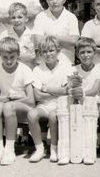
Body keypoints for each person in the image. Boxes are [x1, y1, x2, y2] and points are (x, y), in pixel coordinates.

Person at [0, 37, 35, 166]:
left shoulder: (25, 70)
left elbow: (31, 99)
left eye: (12, 57)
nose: (8, 61)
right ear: (0, 55)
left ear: (18, 55)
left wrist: (12, 100)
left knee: (8, 107)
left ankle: (9, 150)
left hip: (23, 107)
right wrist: (8, 98)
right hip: (8, 103)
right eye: (5, 57)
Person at [56, 37, 100, 165]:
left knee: (88, 122)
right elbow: (67, 87)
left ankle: (88, 153)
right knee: (67, 119)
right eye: (82, 52)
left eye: (89, 52)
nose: (86, 55)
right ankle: (66, 153)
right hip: (75, 103)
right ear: (77, 54)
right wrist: (72, 86)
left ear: (94, 53)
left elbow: (95, 90)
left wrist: (82, 93)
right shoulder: (73, 69)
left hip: (91, 105)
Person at [27, 36, 73, 164]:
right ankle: (40, 149)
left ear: (58, 51)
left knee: (54, 116)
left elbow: (67, 91)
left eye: (51, 50)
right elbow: (37, 96)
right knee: (31, 114)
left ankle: (54, 148)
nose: (48, 54)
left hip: (61, 104)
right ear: (41, 54)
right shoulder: (37, 69)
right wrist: (57, 91)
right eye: (45, 52)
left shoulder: (66, 66)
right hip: (44, 105)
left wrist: (46, 88)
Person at [33, 0, 79, 65]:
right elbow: (38, 41)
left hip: (66, 63)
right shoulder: (40, 17)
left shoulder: (71, 17)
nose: (54, 1)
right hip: (45, 64)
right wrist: (64, 40)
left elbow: (73, 41)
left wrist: (48, 37)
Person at [0, 2, 37, 68]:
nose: (16, 20)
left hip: (29, 71)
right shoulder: (4, 35)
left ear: (26, 18)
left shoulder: (33, 35)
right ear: (10, 19)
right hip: (9, 71)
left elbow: (36, 56)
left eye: (20, 17)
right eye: (13, 17)